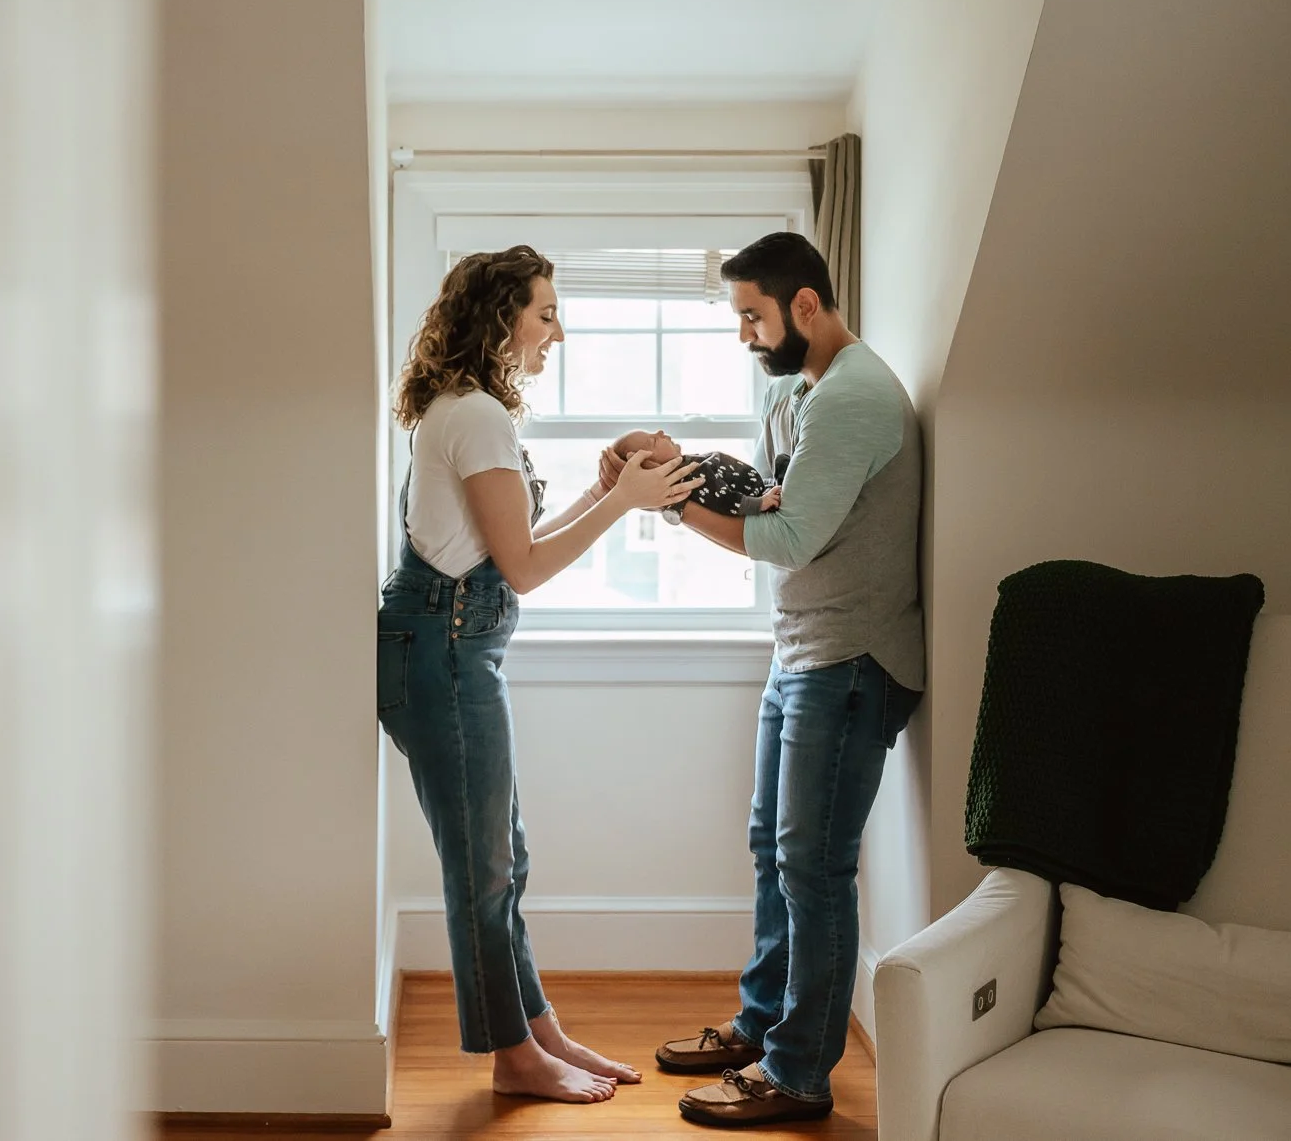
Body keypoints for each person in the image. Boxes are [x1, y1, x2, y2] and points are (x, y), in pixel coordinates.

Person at [608, 231, 925, 1128]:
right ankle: (761, 1024)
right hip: (803, 648)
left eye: (752, 314)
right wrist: (677, 468)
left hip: (853, 658)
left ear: (807, 305)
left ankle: (796, 1075)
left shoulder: (856, 398)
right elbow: (763, 499)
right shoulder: (796, 389)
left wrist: (671, 504)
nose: (744, 333)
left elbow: (784, 537)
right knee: (772, 850)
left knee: (813, 866)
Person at [380, 245, 704, 1104]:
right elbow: (522, 568)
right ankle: (513, 1058)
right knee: (483, 866)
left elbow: (501, 546)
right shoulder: (476, 415)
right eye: (546, 312)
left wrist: (606, 493)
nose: (558, 330)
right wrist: (624, 502)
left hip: (449, 648)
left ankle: (537, 1029)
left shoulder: (469, 410)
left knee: (503, 858)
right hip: (444, 652)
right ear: (502, 318)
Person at [605, 429, 783, 519]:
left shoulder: (688, 465)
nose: (660, 432)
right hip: (755, 499)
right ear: (652, 466)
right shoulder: (690, 480)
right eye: (653, 440)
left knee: (783, 462)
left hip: (761, 485)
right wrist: (760, 503)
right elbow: (725, 500)